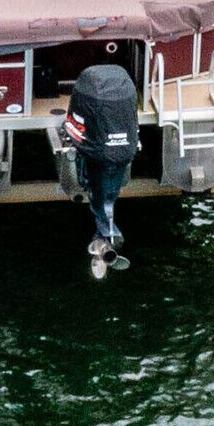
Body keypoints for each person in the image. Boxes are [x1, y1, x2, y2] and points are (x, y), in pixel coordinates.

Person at [62, 58, 140, 272]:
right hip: (119, 154)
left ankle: (107, 234)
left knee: (103, 198)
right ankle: (107, 235)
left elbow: (74, 129)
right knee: (106, 197)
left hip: (102, 155)